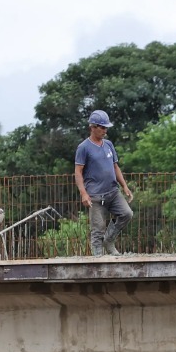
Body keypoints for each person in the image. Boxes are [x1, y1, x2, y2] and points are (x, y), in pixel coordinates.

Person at [73, 109, 134, 255]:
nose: (105, 130)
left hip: (113, 192)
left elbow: (115, 166)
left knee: (127, 214)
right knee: (97, 229)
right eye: (102, 127)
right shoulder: (84, 148)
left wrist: (124, 186)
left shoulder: (108, 145)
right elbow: (78, 172)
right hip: (95, 196)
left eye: (106, 127)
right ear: (92, 127)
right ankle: (98, 259)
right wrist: (83, 194)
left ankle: (110, 240)